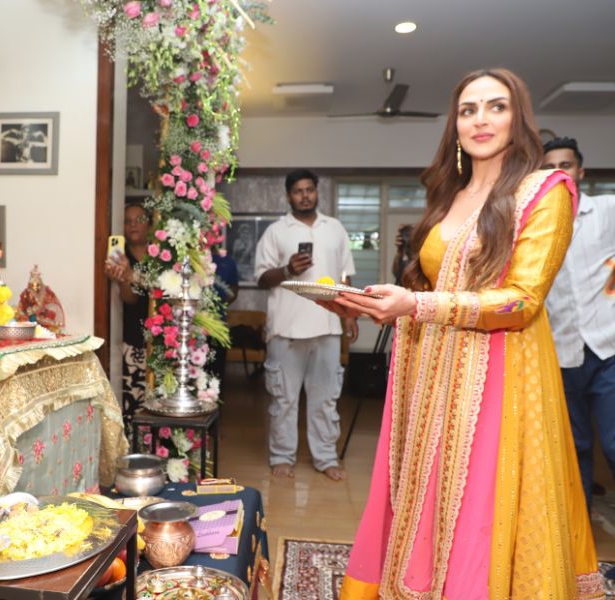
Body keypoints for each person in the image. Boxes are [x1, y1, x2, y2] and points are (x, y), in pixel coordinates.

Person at [320, 69, 602, 599]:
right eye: (468, 110)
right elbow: (431, 285)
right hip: (432, 375)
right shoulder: (451, 193)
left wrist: (417, 304)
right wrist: (373, 302)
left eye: (496, 106)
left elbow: (522, 300)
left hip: (499, 378)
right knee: (425, 495)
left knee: (478, 509)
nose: (480, 120)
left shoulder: (544, 191)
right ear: (455, 125)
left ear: (518, 118)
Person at [254, 169, 358, 481]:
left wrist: (350, 314)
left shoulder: (335, 228)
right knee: (284, 400)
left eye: (309, 190)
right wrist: (287, 269)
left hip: (327, 327)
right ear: (289, 195)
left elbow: (345, 277)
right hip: (285, 329)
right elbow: (261, 279)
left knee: (325, 400)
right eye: (298, 191)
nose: (304, 196)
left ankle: (325, 458)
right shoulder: (276, 231)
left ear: (316, 192)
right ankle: (282, 456)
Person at [542, 137, 615, 511]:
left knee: (614, 445)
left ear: (580, 172)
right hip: (562, 353)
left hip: (609, 349)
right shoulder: (533, 226)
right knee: (575, 449)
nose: (558, 172)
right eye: (549, 167)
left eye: (565, 165)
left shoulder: (606, 210)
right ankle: (579, 535)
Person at [104, 203, 150, 433]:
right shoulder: (121, 257)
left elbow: (162, 289)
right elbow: (129, 299)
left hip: (160, 337)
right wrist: (123, 278)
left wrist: (133, 275)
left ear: (149, 224)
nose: (133, 225)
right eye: (127, 221)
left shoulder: (160, 256)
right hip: (131, 337)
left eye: (138, 220)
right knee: (133, 399)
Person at [209, 247, 239, 384]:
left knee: (216, 372)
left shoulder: (228, 261)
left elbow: (234, 290)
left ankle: (215, 395)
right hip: (194, 323)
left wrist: (219, 305)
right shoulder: (193, 258)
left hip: (218, 323)